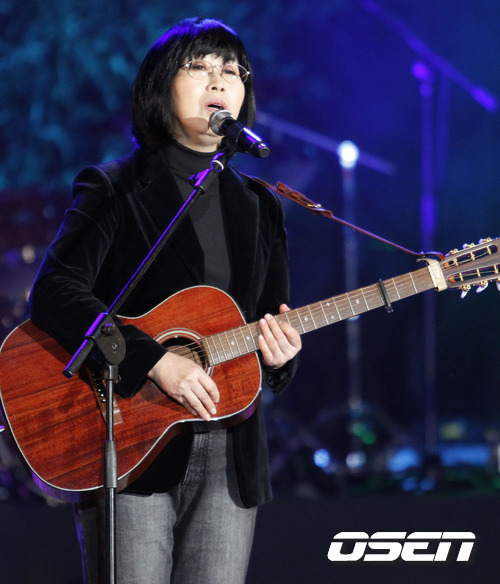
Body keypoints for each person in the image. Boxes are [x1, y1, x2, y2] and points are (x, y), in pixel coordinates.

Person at [29, 16, 301, 584]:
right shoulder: (115, 186)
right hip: (129, 437)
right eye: (198, 66)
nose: (219, 81)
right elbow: (55, 291)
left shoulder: (261, 205)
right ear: (160, 85)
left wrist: (281, 355)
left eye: (233, 71)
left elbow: (270, 320)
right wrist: (153, 360)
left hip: (231, 450)